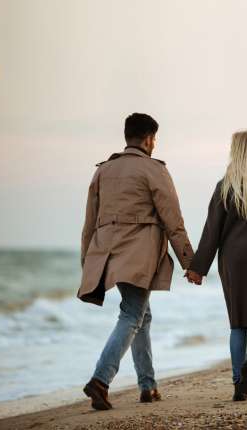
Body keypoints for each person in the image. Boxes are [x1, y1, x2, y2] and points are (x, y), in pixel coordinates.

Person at [78, 113, 194, 410]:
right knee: (132, 314)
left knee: (141, 315)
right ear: (148, 139)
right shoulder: (153, 170)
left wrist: (87, 264)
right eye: (155, 138)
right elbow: (173, 220)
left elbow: (89, 225)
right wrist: (189, 262)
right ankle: (101, 380)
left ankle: (148, 386)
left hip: (106, 256)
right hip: (138, 256)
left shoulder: (102, 171)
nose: (155, 144)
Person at [186, 130, 247, 401]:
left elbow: (212, 232)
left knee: (238, 323)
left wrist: (198, 268)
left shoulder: (225, 186)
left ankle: (237, 384)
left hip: (235, 261)